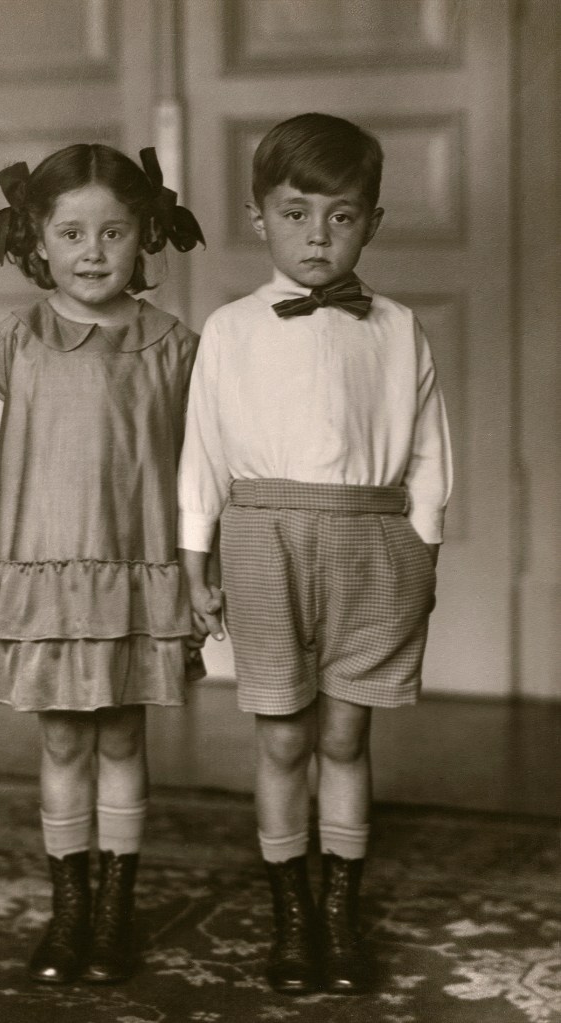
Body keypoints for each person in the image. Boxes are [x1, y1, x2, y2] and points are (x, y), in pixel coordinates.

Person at [178, 113, 452, 996]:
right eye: (295, 213)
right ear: (259, 217)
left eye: (340, 216)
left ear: (372, 220)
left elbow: (429, 451)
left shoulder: (399, 325)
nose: (316, 235)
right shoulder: (228, 329)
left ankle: (340, 910)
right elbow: (203, 450)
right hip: (262, 536)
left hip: (374, 536)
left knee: (345, 731)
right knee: (283, 734)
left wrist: (424, 544)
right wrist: (195, 554)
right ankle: (290, 912)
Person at [0, 143, 205, 986]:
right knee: (63, 737)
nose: (93, 251)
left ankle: (113, 913)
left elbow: (196, 474)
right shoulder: (15, 345)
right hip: (42, 579)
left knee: (123, 734)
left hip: (137, 572)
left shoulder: (173, 346)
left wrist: (196, 572)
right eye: (71, 232)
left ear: (146, 236)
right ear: (37, 239)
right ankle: (68, 912)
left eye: (113, 231)